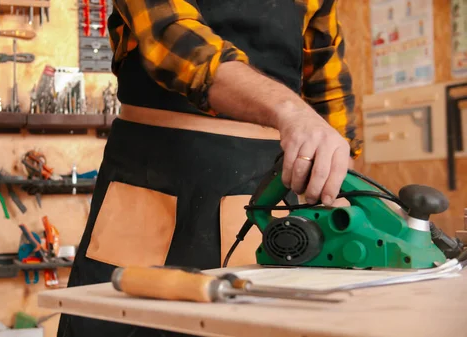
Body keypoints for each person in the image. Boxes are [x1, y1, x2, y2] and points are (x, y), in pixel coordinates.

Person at [58, 0, 362, 336]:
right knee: (117, 322)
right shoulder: (285, 109)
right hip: (151, 181)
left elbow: (329, 87)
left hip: (265, 186)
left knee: (257, 323)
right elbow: (170, 36)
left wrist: (348, 197)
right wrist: (289, 110)